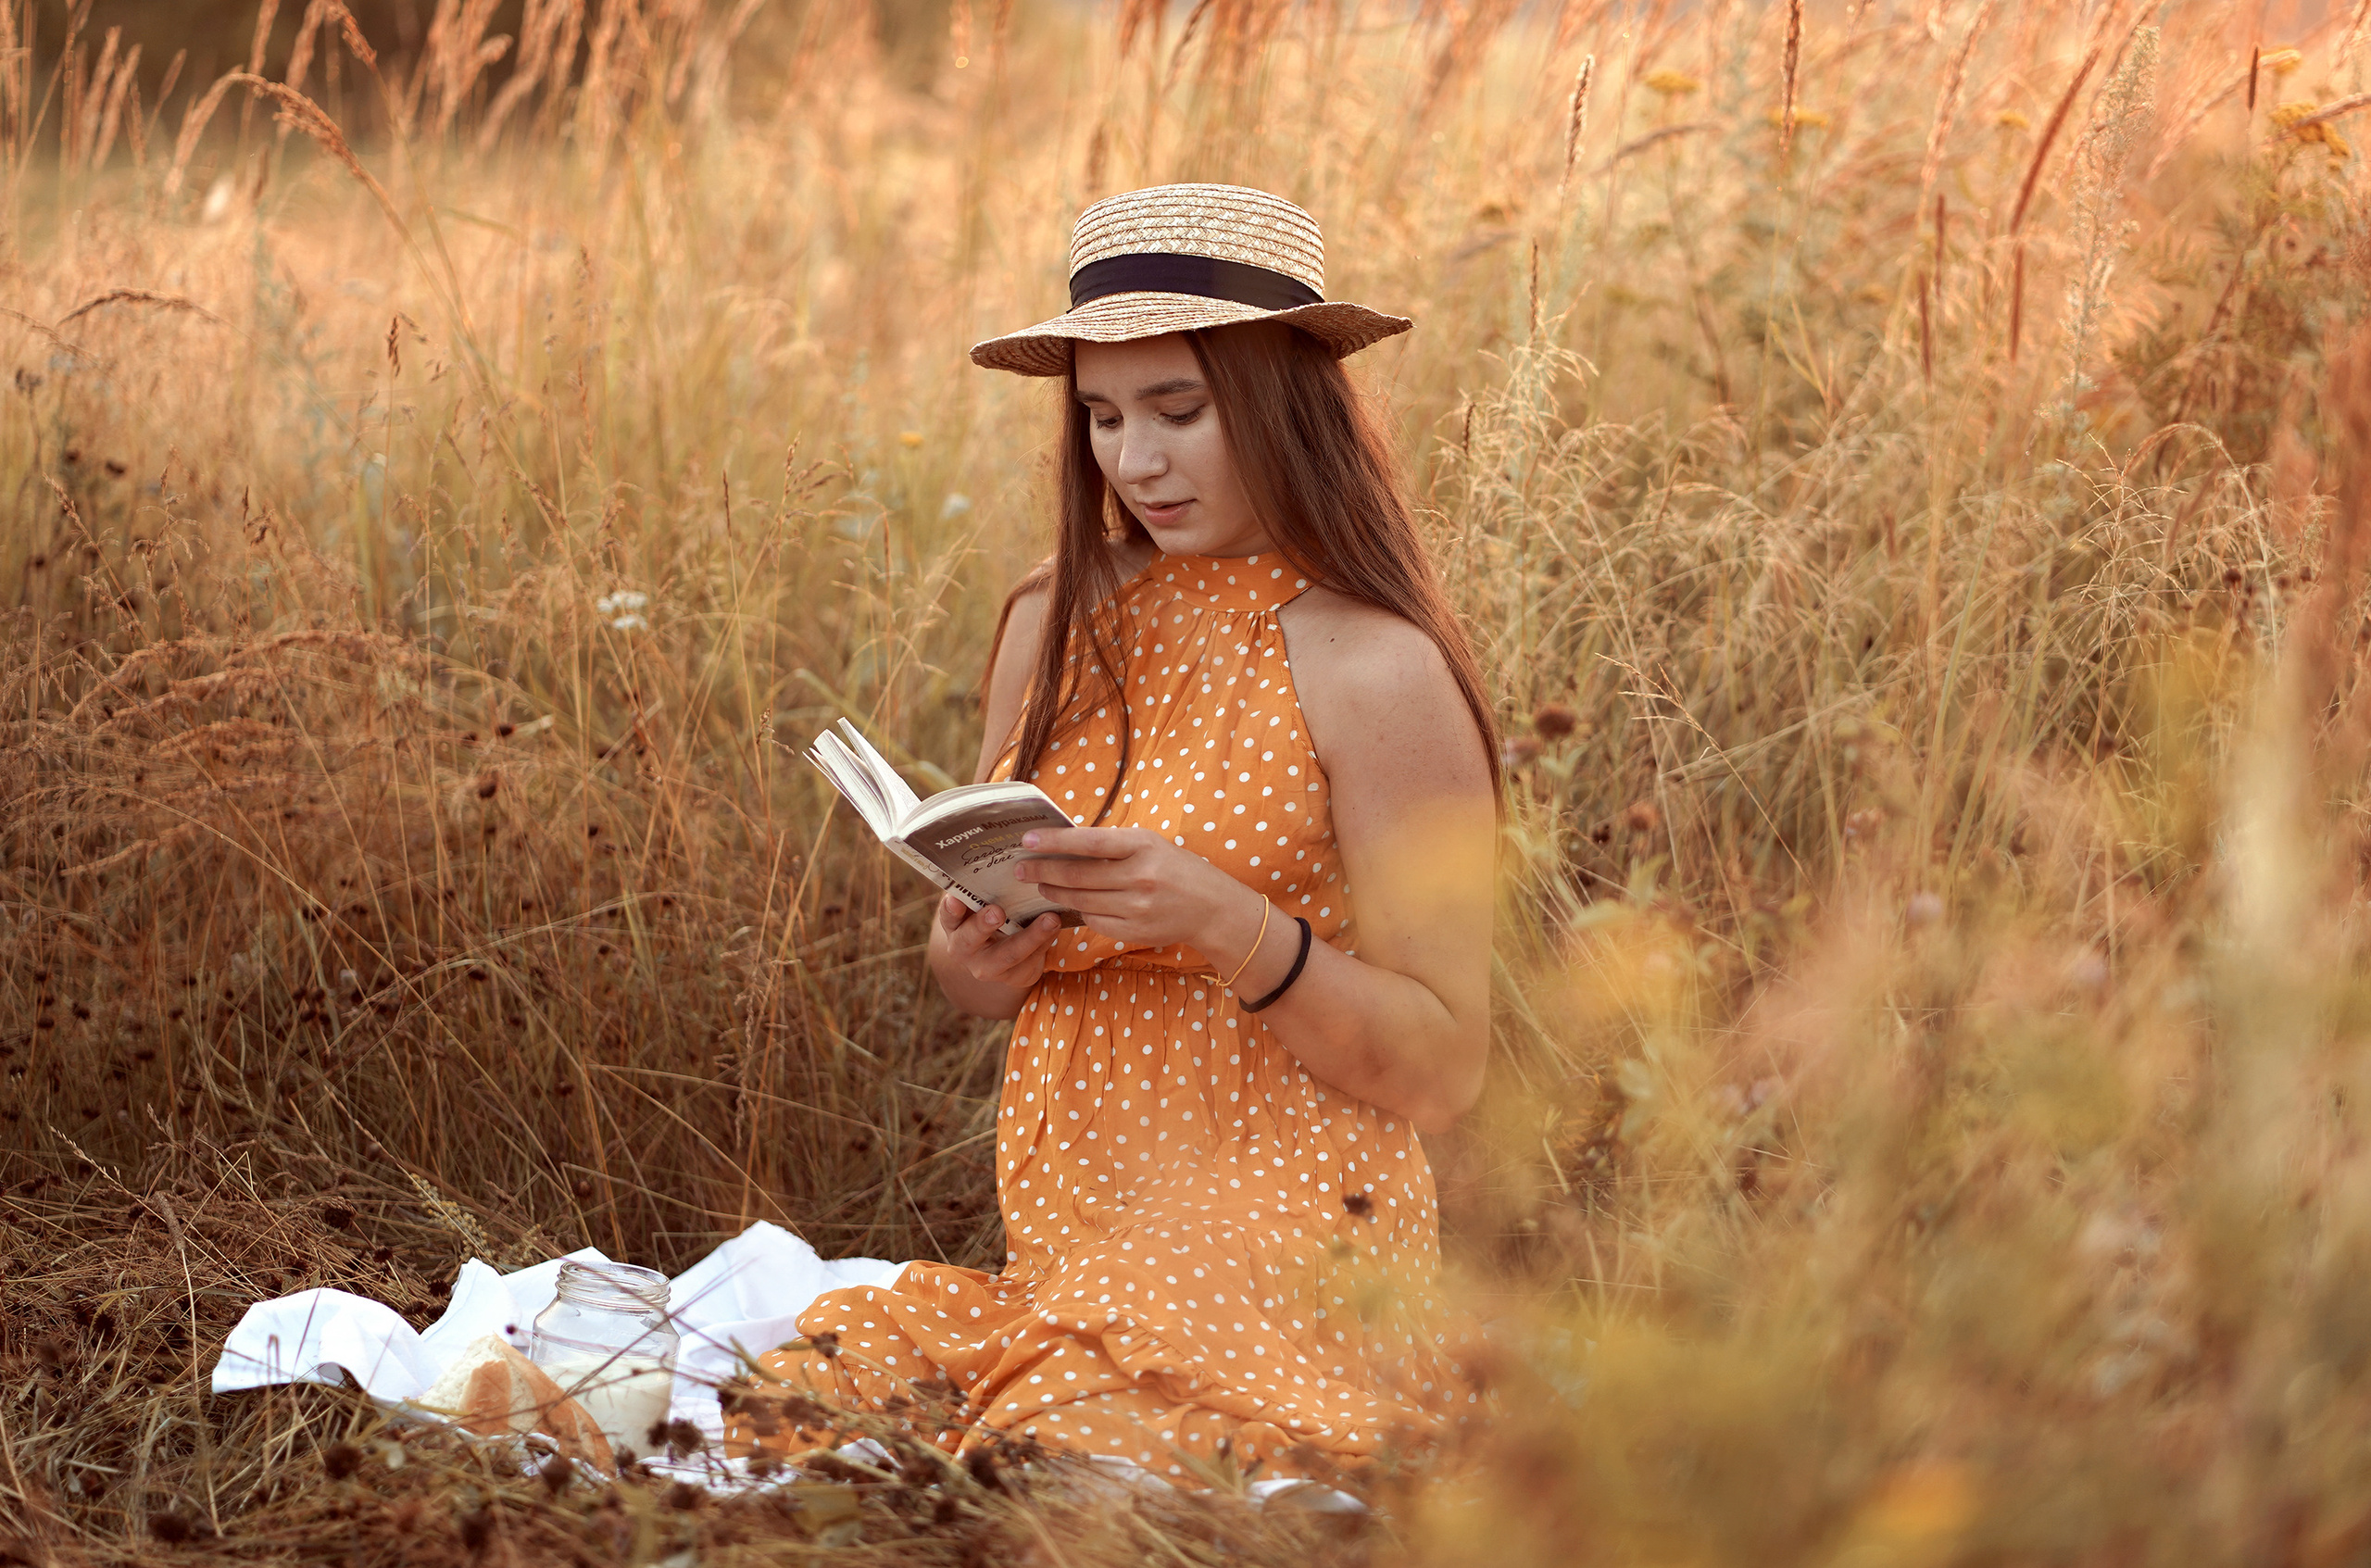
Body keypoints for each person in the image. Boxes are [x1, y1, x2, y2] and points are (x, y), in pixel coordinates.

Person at [726, 182, 1499, 1484]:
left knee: (1056, 1462)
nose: (1133, 461)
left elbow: (1444, 1068)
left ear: (1279, 400)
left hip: (1290, 1222)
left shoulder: (1377, 668)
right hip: (1078, 1227)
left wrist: (1229, 925)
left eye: (1179, 411)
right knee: (794, 1409)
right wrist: (976, 958)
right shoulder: (1052, 617)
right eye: (1101, 415)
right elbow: (972, 967)